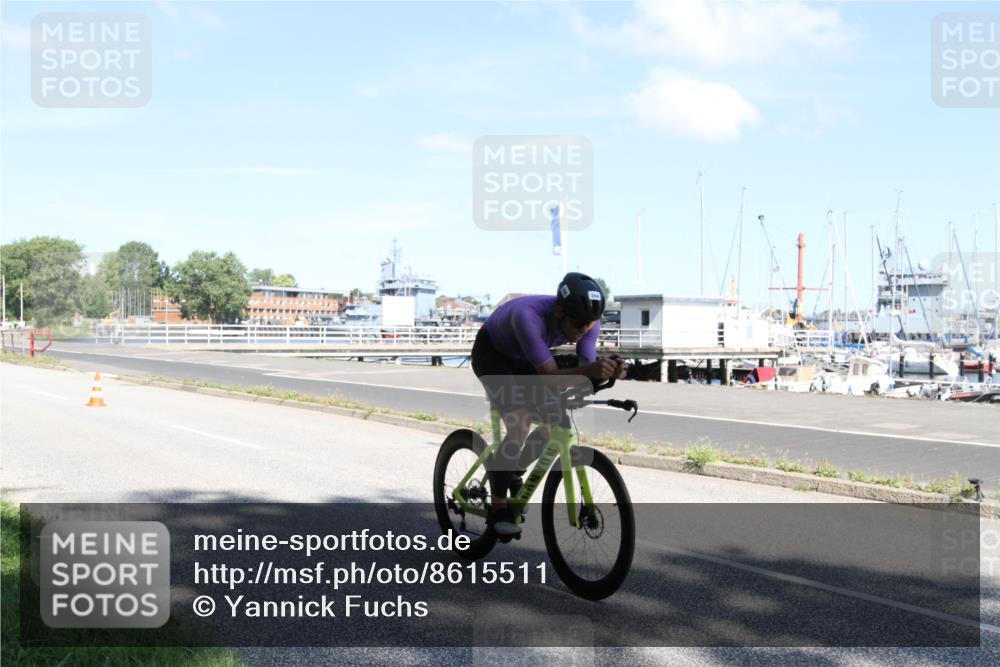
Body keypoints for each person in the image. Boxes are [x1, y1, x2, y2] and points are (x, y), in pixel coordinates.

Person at [470, 272, 625, 538]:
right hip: (493, 354)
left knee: (555, 424)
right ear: (559, 310)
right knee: (519, 425)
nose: (582, 331)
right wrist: (590, 370)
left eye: (588, 325)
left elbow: (582, 366)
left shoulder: (588, 323)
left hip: (525, 357)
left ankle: (515, 470)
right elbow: (550, 375)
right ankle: (498, 509)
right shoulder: (527, 317)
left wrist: (608, 371)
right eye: (577, 323)